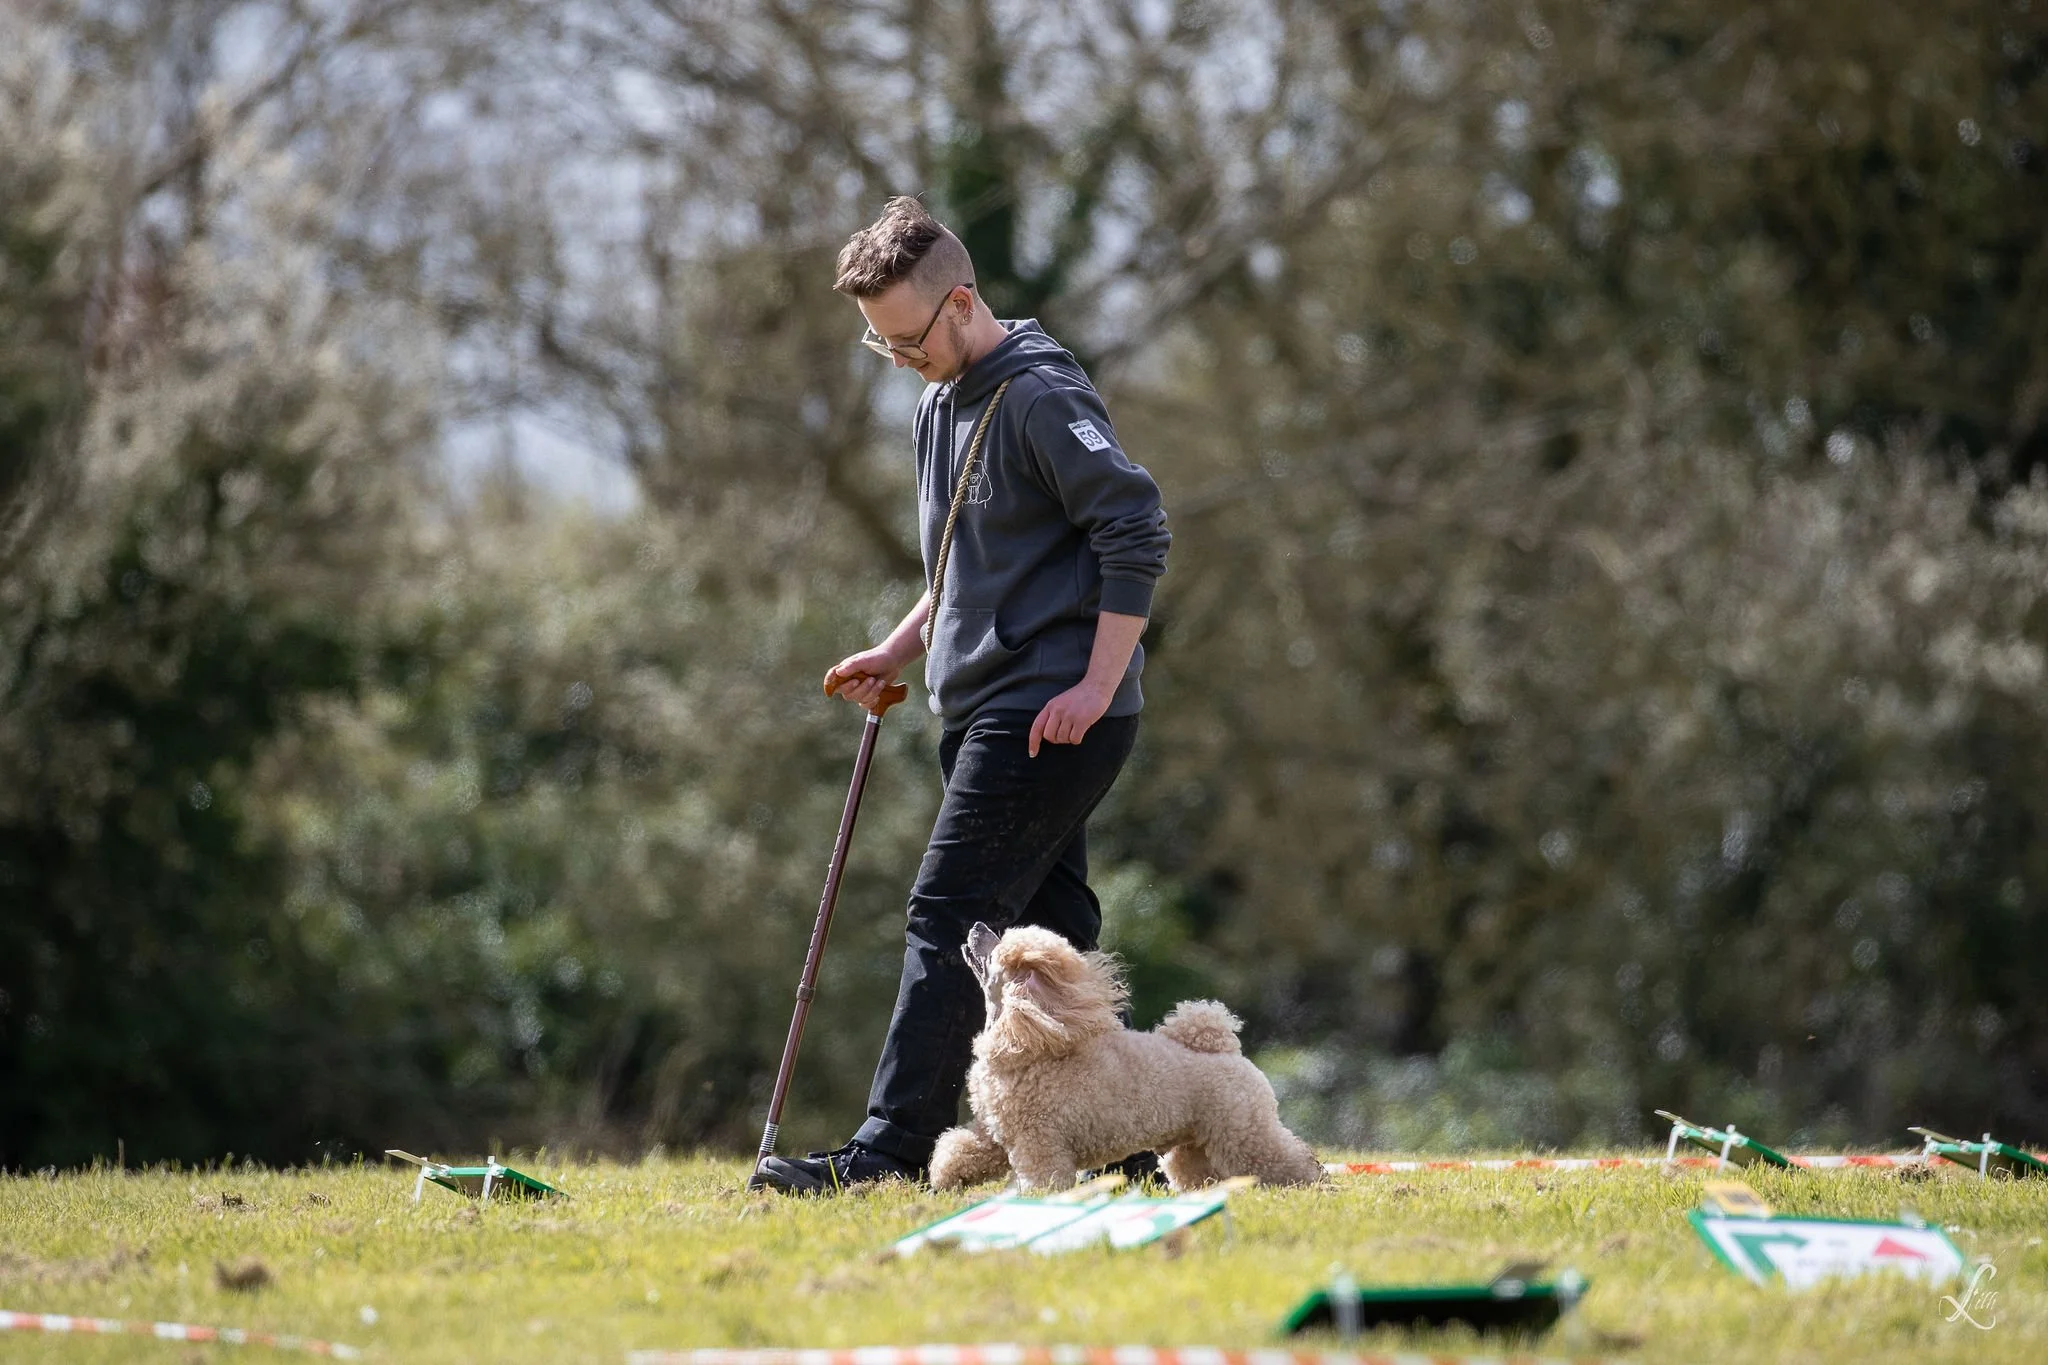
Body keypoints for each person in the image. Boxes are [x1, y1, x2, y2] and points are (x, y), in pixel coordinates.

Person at [752, 197, 1171, 1194]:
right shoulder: (942, 402)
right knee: (1056, 933)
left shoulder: (1036, 396)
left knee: (948, 915)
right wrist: (897, 649)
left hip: (1048, 713)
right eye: (879, 345)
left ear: (962, 304)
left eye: (907, 339)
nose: (899, 360)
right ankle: (1131, 1142)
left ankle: (887, 1153)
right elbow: (958, 567)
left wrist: (1093, 685)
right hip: (981, 703)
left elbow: (1136, 530)